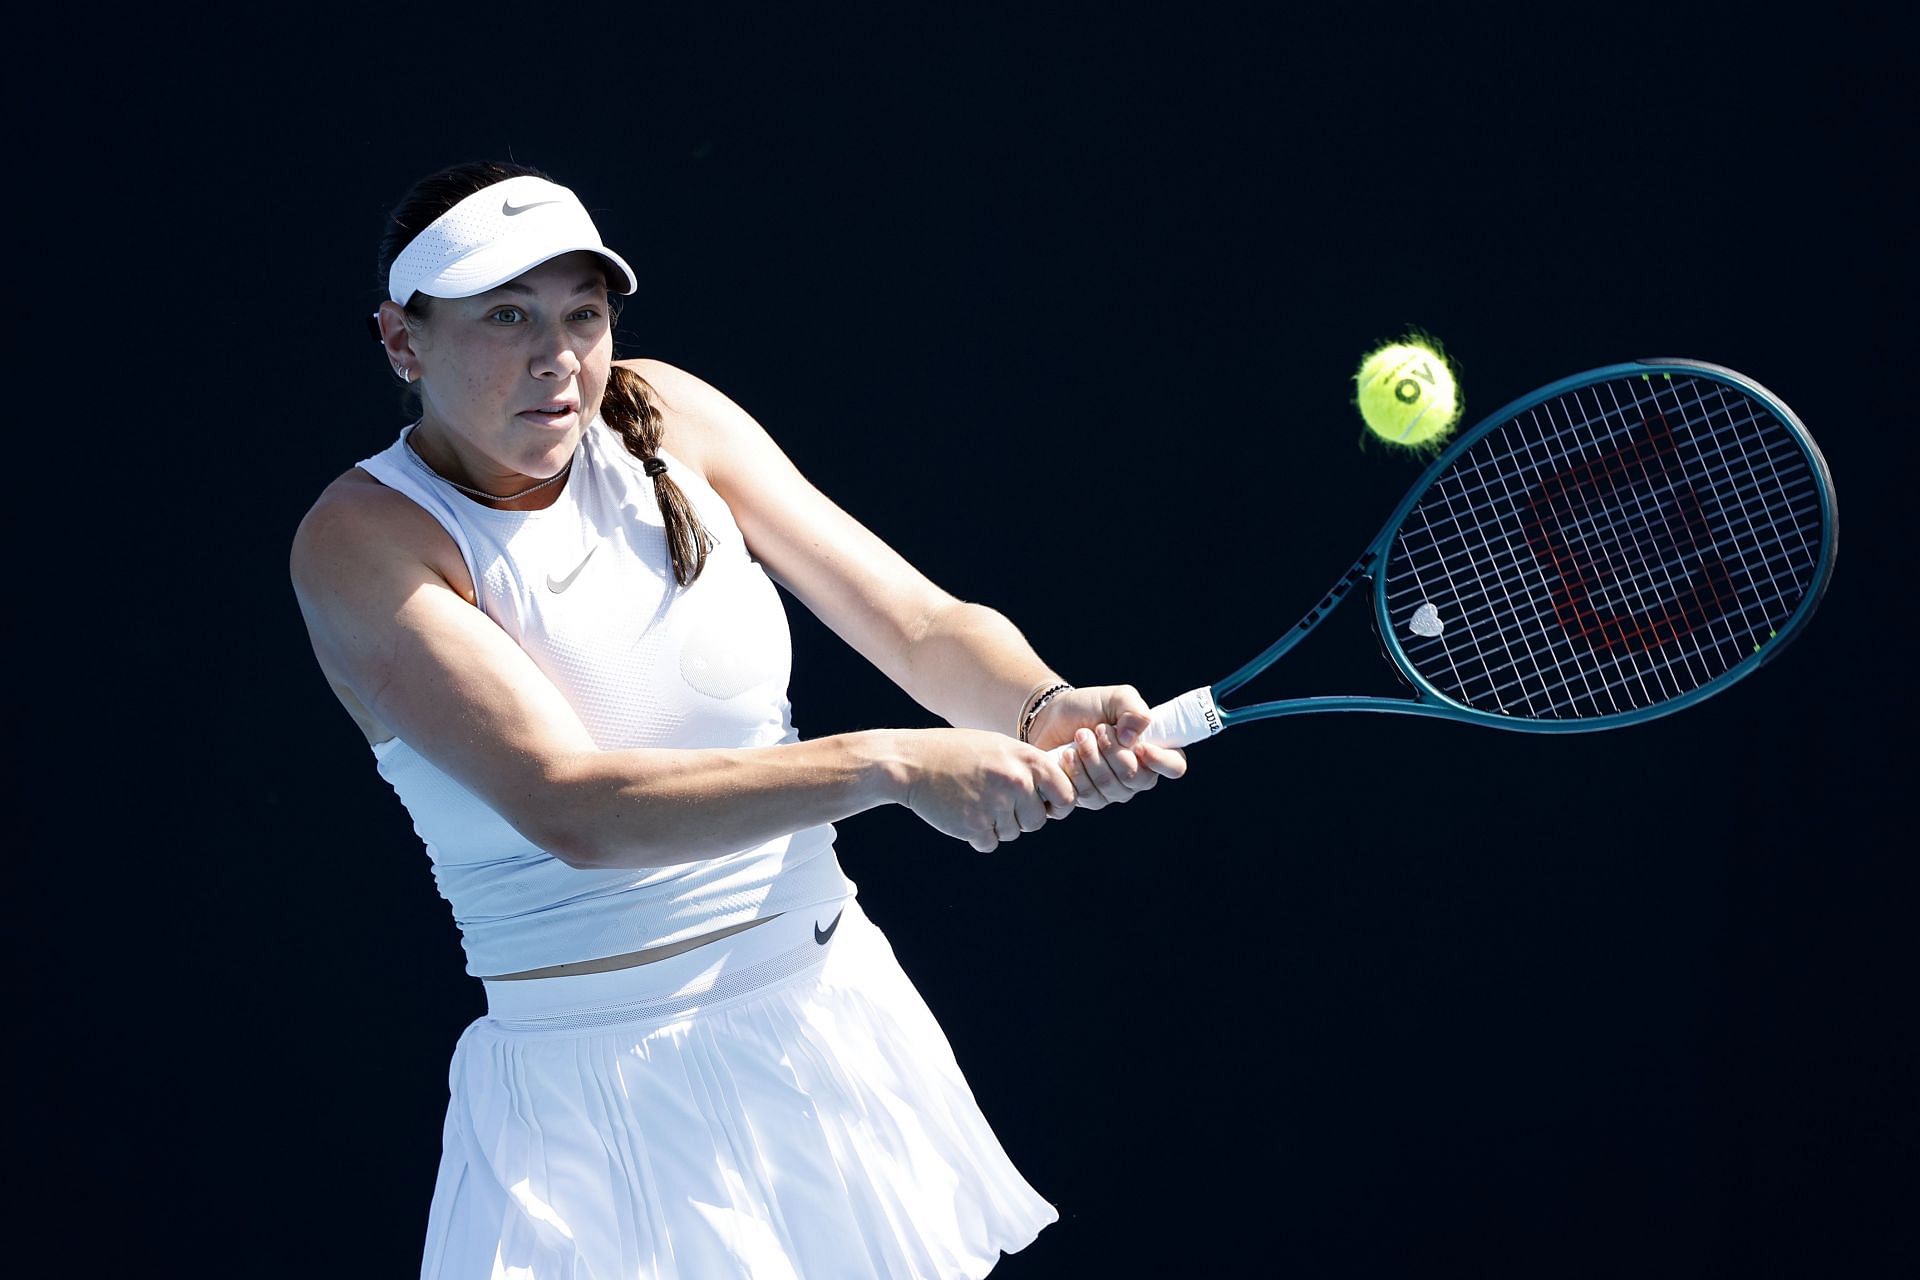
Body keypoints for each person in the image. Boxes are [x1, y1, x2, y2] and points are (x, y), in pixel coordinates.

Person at [290, 159, 1187, 1279]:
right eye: (505, 315)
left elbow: (913, 621)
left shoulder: (667, 416)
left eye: (582, 312)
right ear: (399, 339)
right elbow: (574, 806)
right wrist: (895, 765)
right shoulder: (361, 541)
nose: (555, 355)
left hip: (830, 1037)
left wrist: (1041, 702)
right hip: (591, 1117)